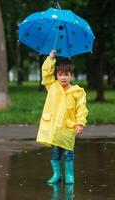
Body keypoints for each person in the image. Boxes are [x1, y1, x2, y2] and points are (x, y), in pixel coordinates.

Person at [36, 50, 88, 184]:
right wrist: (50, 59)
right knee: (55, 153)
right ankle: (57, 175)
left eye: (66, 74)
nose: (63, 78)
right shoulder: (52, 86)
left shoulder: (77, 92)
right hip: (54, 127)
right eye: (60, 75)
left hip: (67, 127)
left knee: (68, 152)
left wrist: (80, 123)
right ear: (57, 75)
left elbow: (81, 109)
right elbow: (46, 74)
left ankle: (70, 175)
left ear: (71, 75)